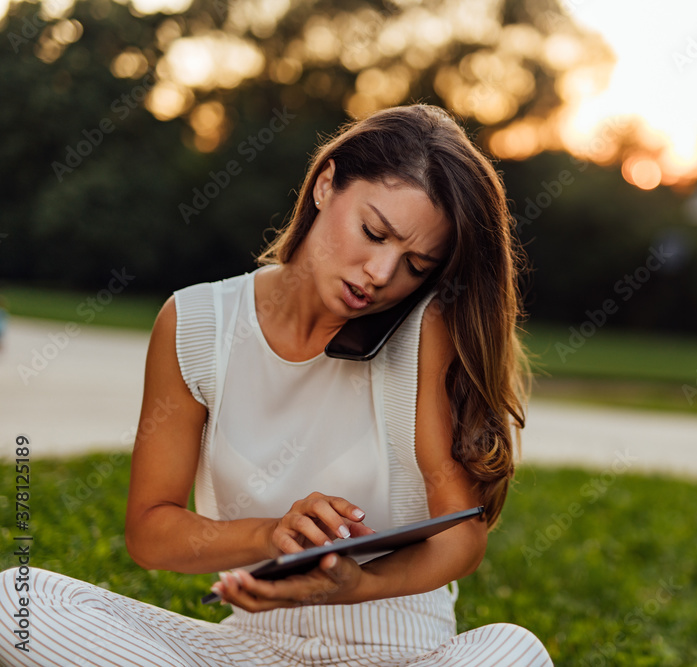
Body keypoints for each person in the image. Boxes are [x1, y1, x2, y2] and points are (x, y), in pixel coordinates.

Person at [0, 104, 552, 666]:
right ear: (325, 184)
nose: (382, 275)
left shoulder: (427, 330)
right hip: (249, 650)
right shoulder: (195, 324)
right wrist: (273, 535)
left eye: (415, 264)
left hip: (402, 655)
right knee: (19, 598)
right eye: (373, 232)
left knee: (512, 650)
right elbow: (151, 531)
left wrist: (355, 585)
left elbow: (463, 535)